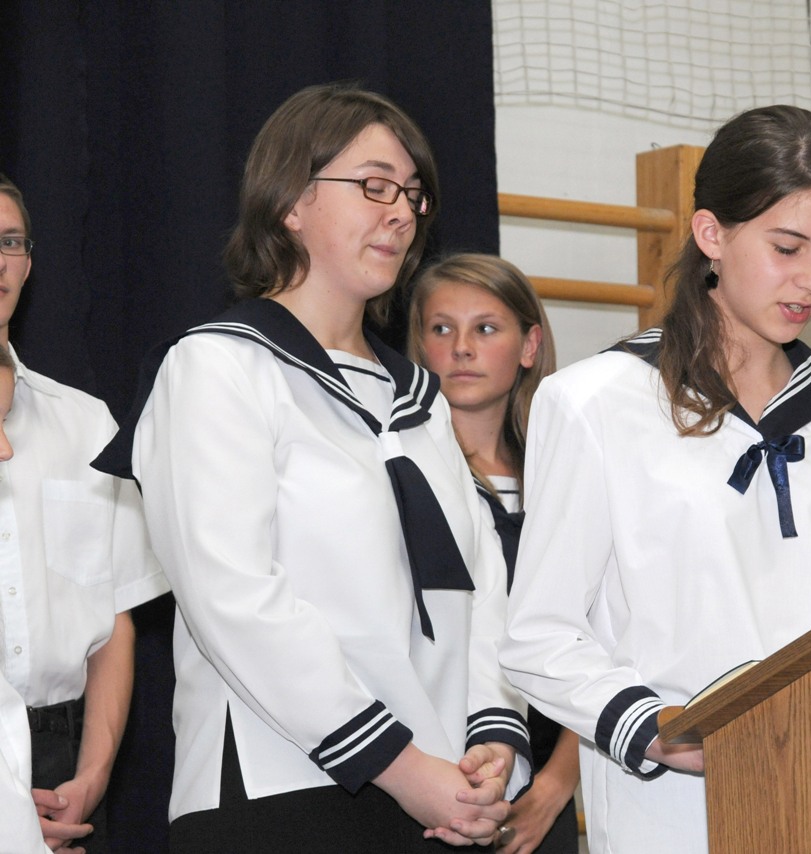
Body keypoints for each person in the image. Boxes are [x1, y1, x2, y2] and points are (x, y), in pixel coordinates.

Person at [92, 83, 529, 852]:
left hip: (435, 793)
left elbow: (482, 581)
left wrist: (492, 735)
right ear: (292, 201)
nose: (402, 212)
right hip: (280, 788)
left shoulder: (419, 399)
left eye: (413, 194)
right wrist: (398, 764)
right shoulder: (218, 366)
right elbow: (233, 597)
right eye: (374, 186)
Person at [498, 105, 811, 853]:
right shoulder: (597, 401)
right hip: (674, 813)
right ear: (711, 234)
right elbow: (538, 636)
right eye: (787, 247)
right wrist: (654, 730)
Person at [0, 174, 169, 853]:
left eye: (9, 242)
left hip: (61, 762)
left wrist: (92, 778)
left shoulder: (86, 424)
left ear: (28, 264)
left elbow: (115, 617)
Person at [408, 254, 579, 854]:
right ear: (419, 345)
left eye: (485, 328)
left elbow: (608, 642)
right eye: (441, 328)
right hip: (427, 782)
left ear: (529, 346)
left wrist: (554, 787)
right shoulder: (397, 477)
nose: (461, 348)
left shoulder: (566, 480)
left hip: (540, 793)